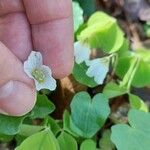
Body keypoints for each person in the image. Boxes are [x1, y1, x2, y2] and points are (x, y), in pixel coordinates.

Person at [0, 0, 73, 116]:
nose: (38, 75)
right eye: (39, 75)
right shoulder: (33, 65)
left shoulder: (38, 69)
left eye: (39, 76)